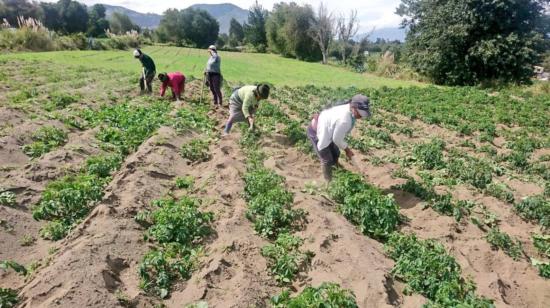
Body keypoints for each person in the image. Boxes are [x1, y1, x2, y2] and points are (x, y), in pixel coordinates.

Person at [307, 95, 371, 181]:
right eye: (360, 113)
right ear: (353, 107)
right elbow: (336, 139)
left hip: (329, 129)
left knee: (336, 152)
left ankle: (336, 169)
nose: (361, 116)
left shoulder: (348, 108)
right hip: (317, 131)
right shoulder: (344, 120)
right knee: (327, 159)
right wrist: (347, 150)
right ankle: (328, 182)